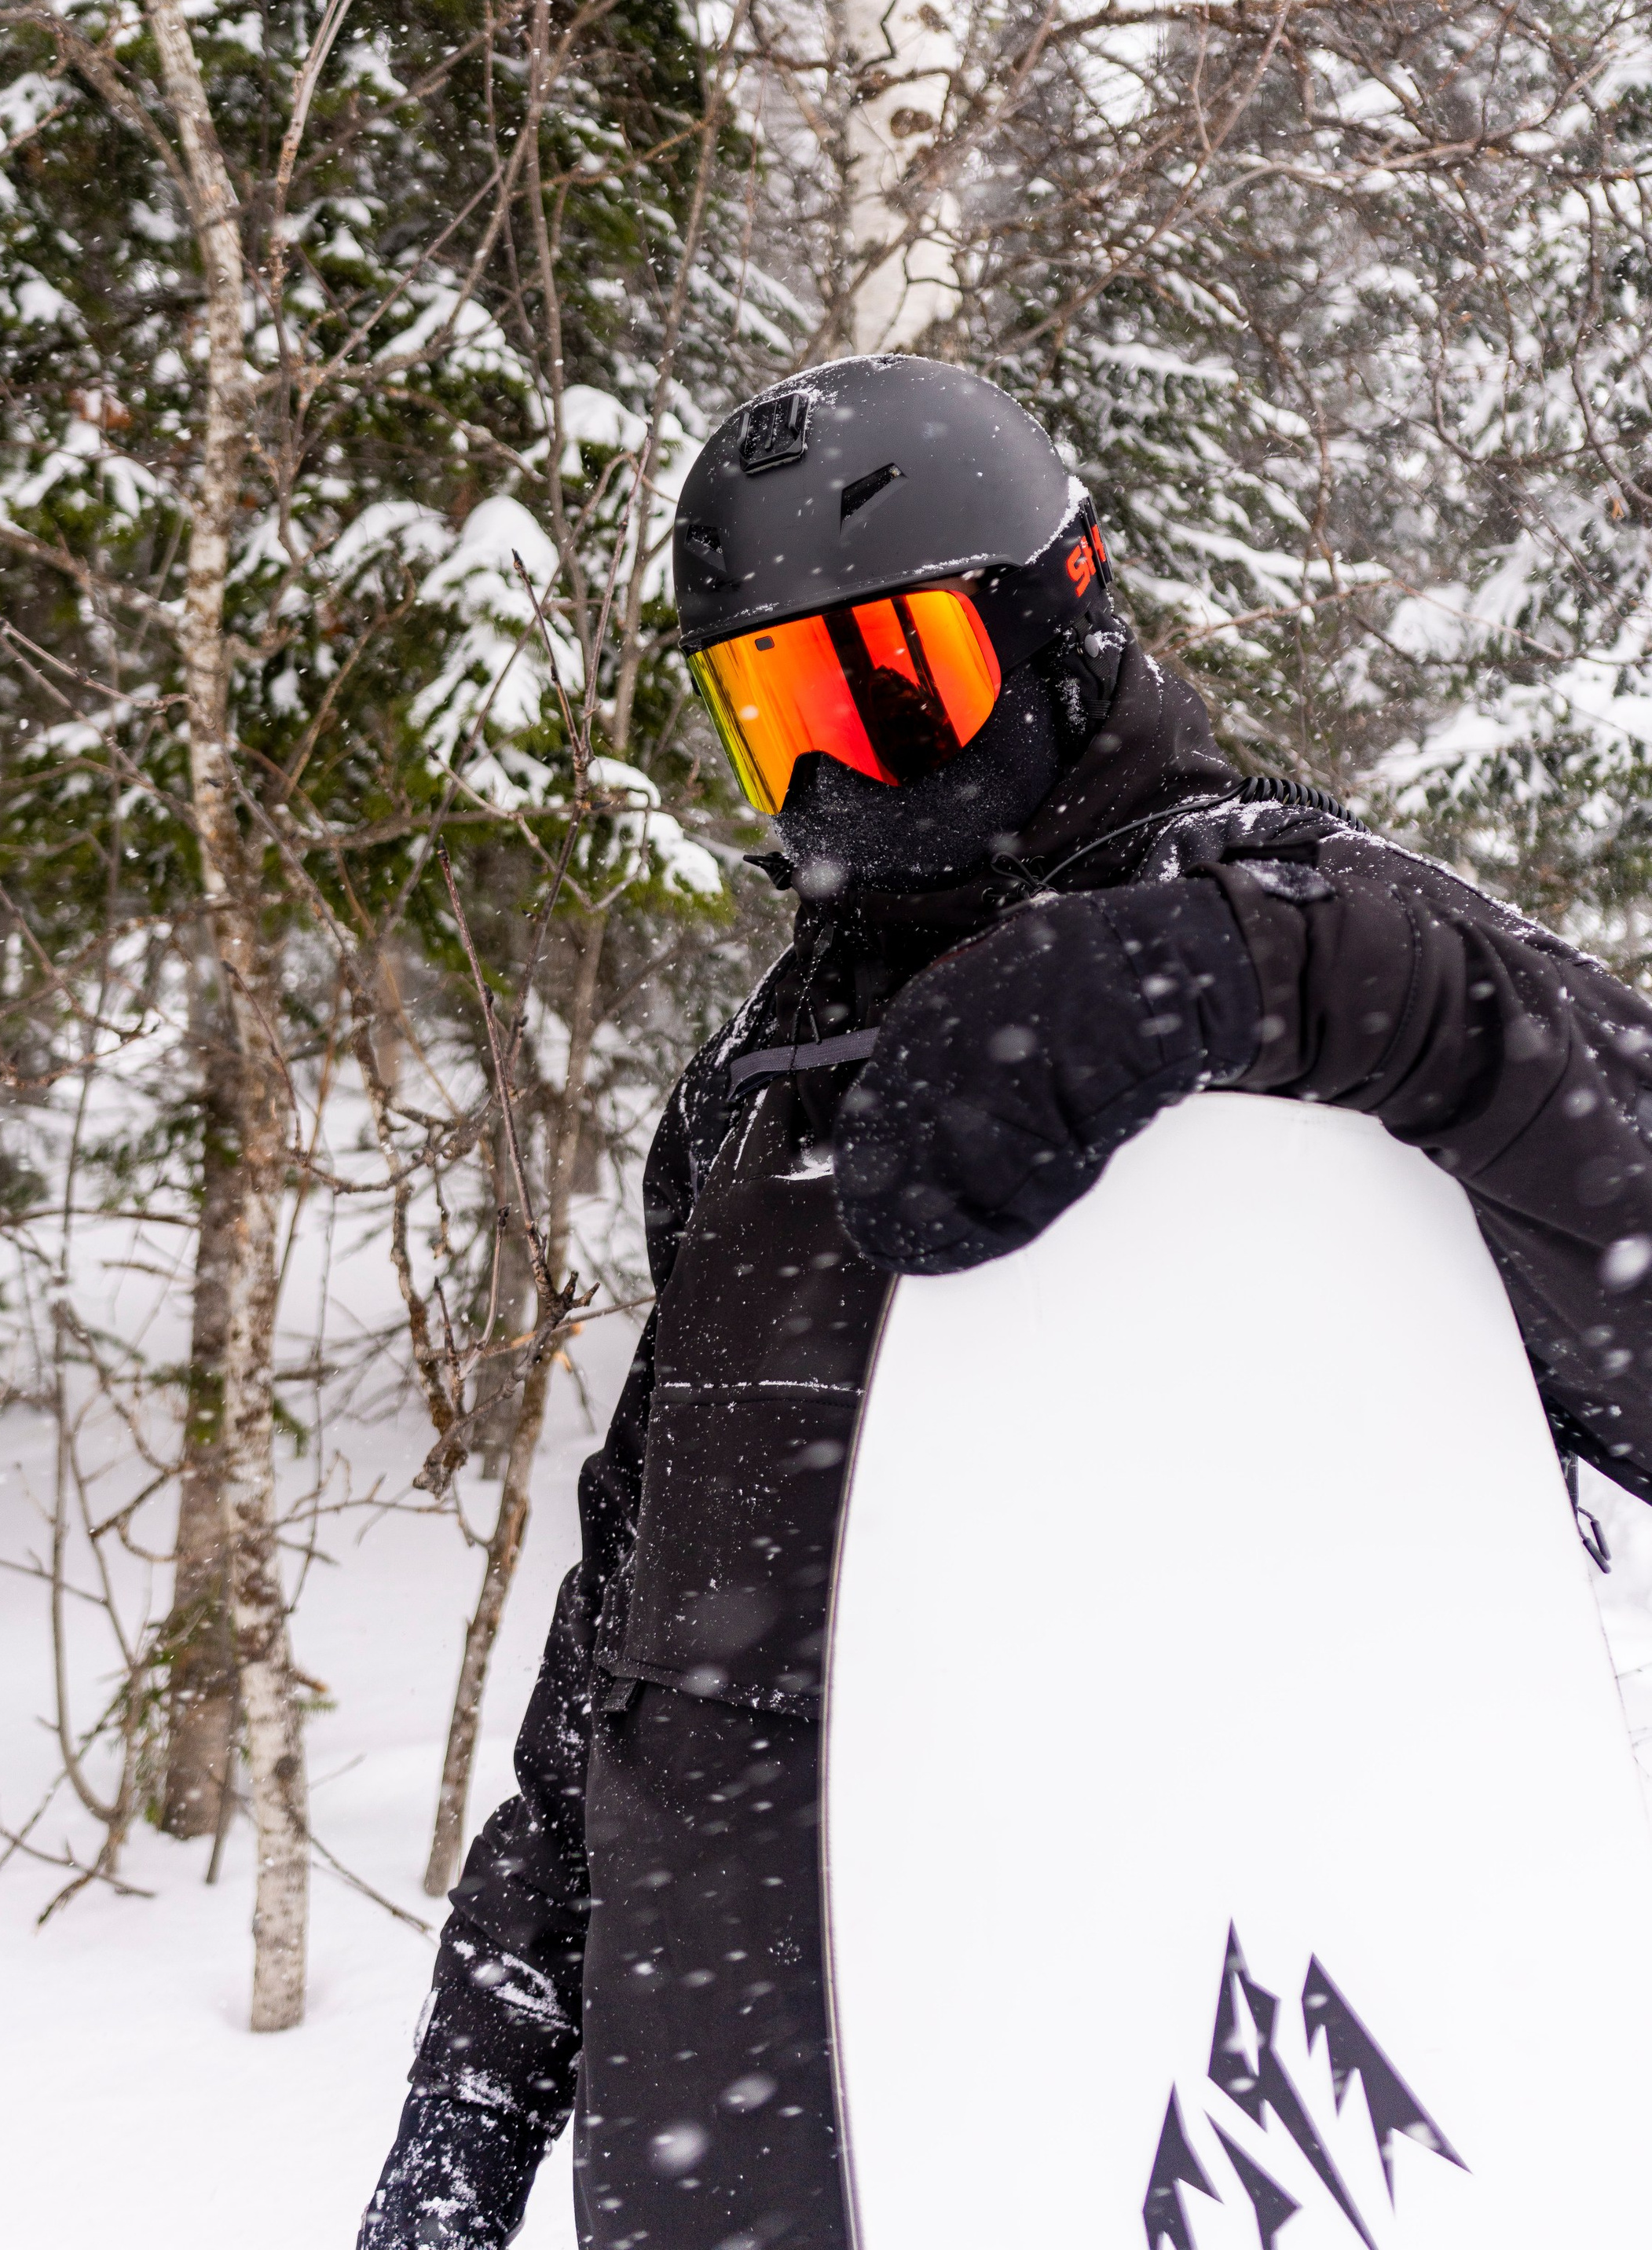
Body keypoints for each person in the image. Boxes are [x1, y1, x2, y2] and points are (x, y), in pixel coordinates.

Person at [358, 355, 1652, 2250]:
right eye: (772, 711)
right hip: (733, 2129)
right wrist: (474, 2100)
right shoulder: (757, 1087)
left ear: (1062, 613)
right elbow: (624, 1636)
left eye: (891, 683)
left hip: (1150, 2110)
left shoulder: (1303, 934)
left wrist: (1259, 968)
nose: (835, 773)